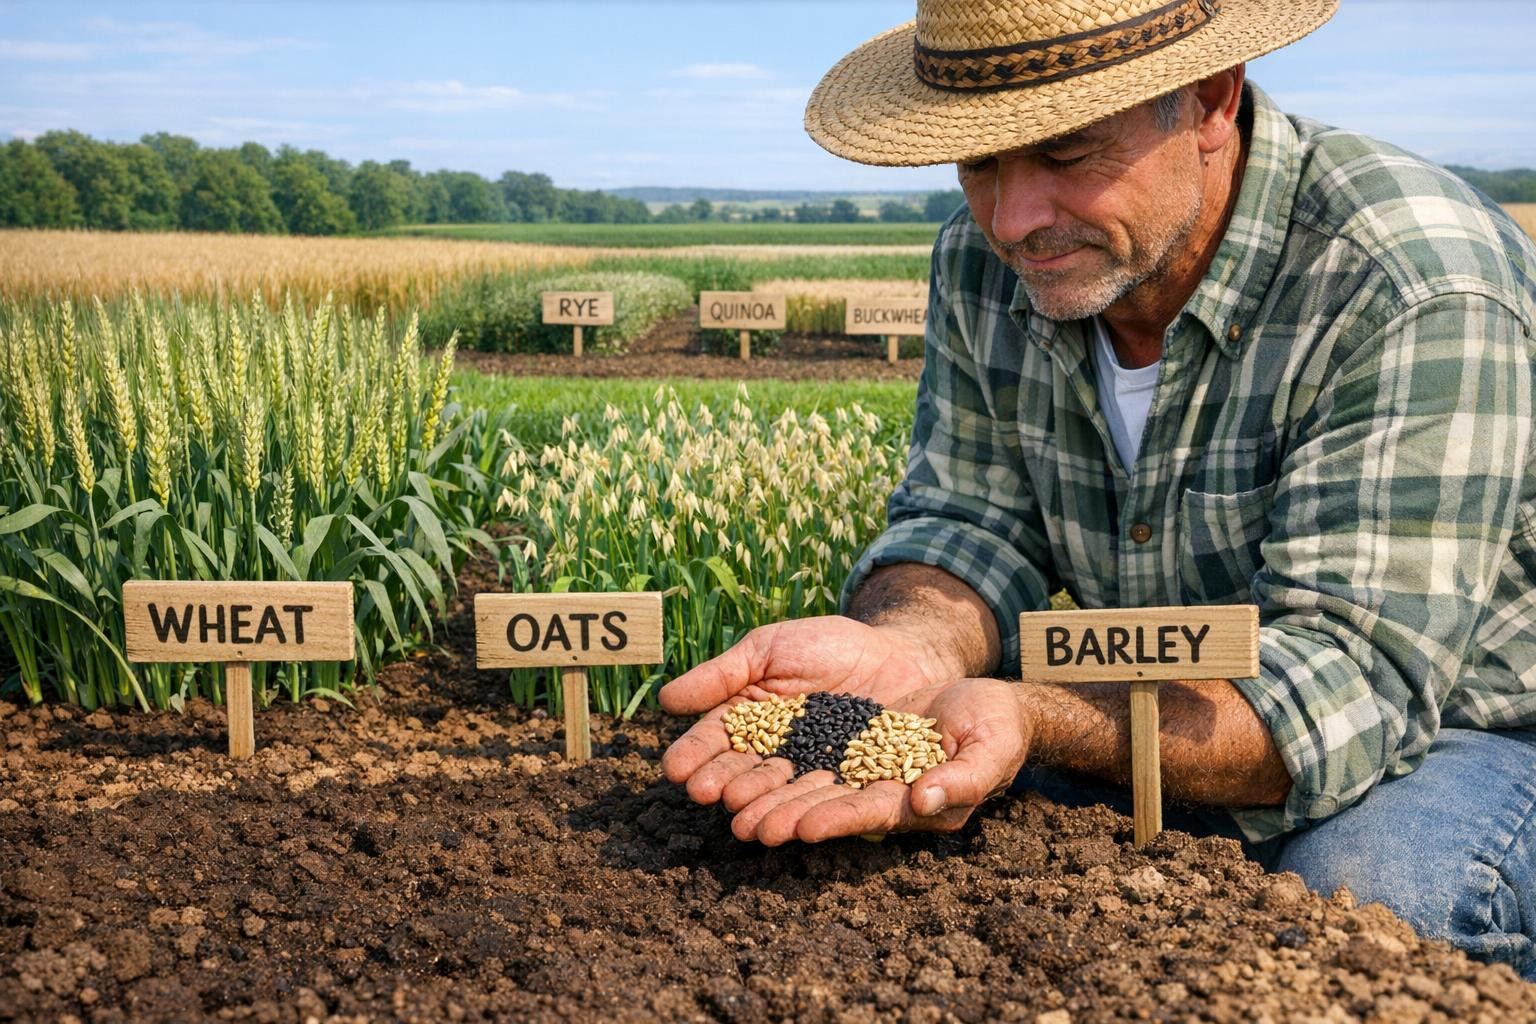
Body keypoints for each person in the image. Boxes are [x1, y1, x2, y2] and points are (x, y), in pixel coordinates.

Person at [659, 0, 1536, 979]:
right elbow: (970, 522)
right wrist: (908, 648)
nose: (1012, 220)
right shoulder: (985, 264)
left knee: (1369, 893)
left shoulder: (1405, 276)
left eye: (1067, 154)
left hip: (1464, 733)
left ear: (1209, 99)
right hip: (1153, 716)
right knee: (923, 843)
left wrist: (1042, 714)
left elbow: (1348, 687)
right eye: (981, 162)